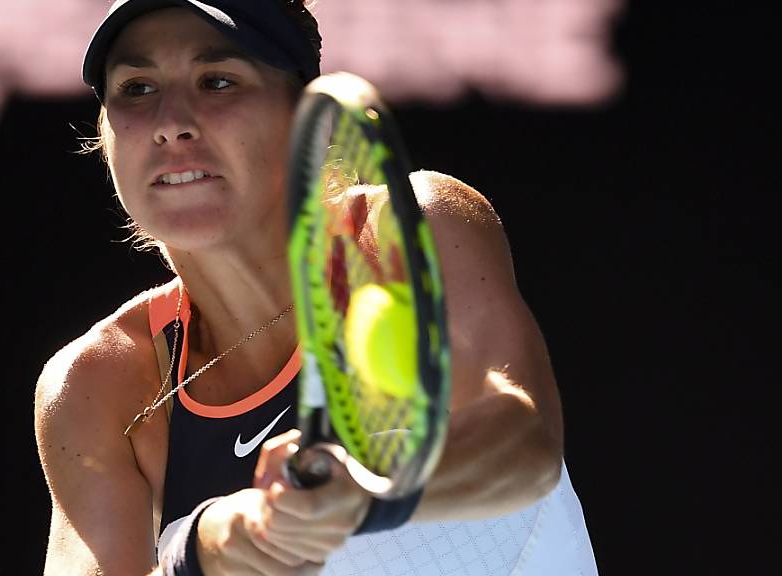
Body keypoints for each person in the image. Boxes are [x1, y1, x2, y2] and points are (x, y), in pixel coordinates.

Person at [35, 1, 599, 574]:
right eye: (136, 88)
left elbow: (525, 444)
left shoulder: (409, 232)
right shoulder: (98, 384)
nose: (170, 121)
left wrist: (364, 495)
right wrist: (202, 552)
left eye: (218, 81)